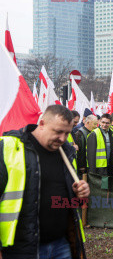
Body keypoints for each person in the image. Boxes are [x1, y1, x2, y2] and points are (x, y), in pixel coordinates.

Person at [0, 105, 90, 259]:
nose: (63, 138)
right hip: (20, 249)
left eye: (67, 133)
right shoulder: (9, 147)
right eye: (58, 132)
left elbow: (73, 202)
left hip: (62, 244)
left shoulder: (67, 152)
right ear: (41, 124)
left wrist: (81, 193)